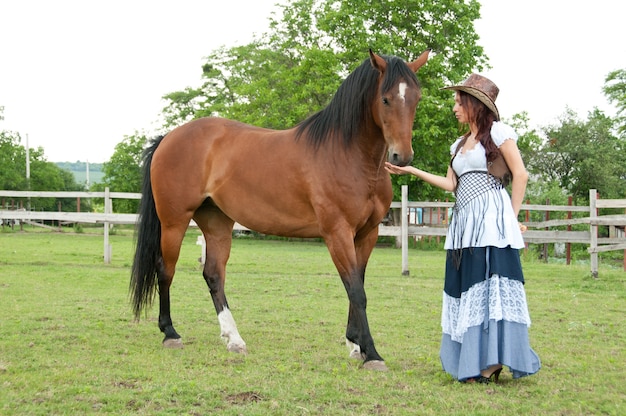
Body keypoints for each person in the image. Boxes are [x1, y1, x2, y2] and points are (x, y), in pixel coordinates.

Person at [385, 74, 540, 383]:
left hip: (492, 221)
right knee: (469, 287)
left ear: (473, 105)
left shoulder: (498, 133)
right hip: (464, 223)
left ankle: (493, 363)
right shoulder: (459, 145)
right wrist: (412, 170)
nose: (454, 108)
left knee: (491, 287)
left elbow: (519, 175)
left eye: (458, 102)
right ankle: (476, 359)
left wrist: (511, 218)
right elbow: (451, 184)